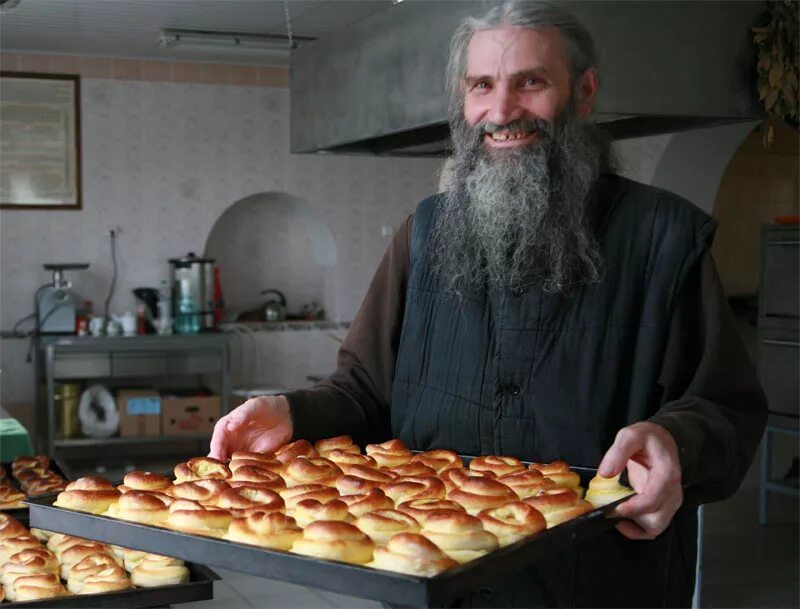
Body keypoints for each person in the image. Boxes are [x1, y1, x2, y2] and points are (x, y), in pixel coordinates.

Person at [210, 2, 767, 606]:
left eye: (531, 81)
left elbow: (727, 408)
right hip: (434, 581)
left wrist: (674, 440)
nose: (502, 112)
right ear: (463, 99)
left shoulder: (665, 239)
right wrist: (292, 412)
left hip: (600, 583)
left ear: (583, 94)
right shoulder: (422, 234)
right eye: (482, 85)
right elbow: (365, 390)